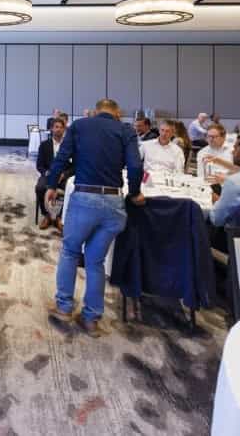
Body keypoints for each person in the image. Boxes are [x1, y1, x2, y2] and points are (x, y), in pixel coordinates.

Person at [46, 99, 144, 337]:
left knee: (70, 251)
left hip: (85, 198)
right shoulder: (126, 130)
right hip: (113, 203)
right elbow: (135, 166)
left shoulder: (79, 126)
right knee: (95, 261)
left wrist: (51, 185)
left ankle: (64, 307)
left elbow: (62, 158)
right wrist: (134, 192)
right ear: (117, 112)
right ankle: (91, 319)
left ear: (97, 111)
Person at [36, 118, 73, 230]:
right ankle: (47, 215)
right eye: (56, 127)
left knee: (70, 189)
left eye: (61, 127)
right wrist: (46, 172)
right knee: (40, 188)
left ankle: (59, 217)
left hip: (64, 176)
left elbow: (75, 166)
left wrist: (65, 174)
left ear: (64, 130)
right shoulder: (44, 145)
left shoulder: (69, 146)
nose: (59, 129)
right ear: (51, 129)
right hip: (48, 175)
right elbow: (39, 165)